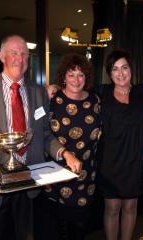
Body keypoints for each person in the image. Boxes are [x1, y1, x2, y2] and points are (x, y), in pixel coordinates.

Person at [0, 35, 81, 240]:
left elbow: (45, 133)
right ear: (1, 56)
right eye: (14, 53)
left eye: (24, 54)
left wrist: (65, 153)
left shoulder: (38, 92)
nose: (19, 58)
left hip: (30, 183)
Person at [34, 53, 102, 240]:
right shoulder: (51, 101)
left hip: (85, 176)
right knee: (55, 230)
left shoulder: (96, 101)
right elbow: (41, 133)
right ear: (63, 77)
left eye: (81, 74)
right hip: (54, 178)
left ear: (86, 77)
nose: (76, 79)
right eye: (71, 74)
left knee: (79, 230)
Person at [96, 50, 143, 240]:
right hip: (109, 163)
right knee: (112, 207)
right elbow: (75, 93)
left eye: (124, 67)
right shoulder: (101, 93)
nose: (120, 73)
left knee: (130, 206)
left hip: (135, 161)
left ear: (131, 69)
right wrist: (53, 88)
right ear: (109, 73)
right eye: (115, 69)